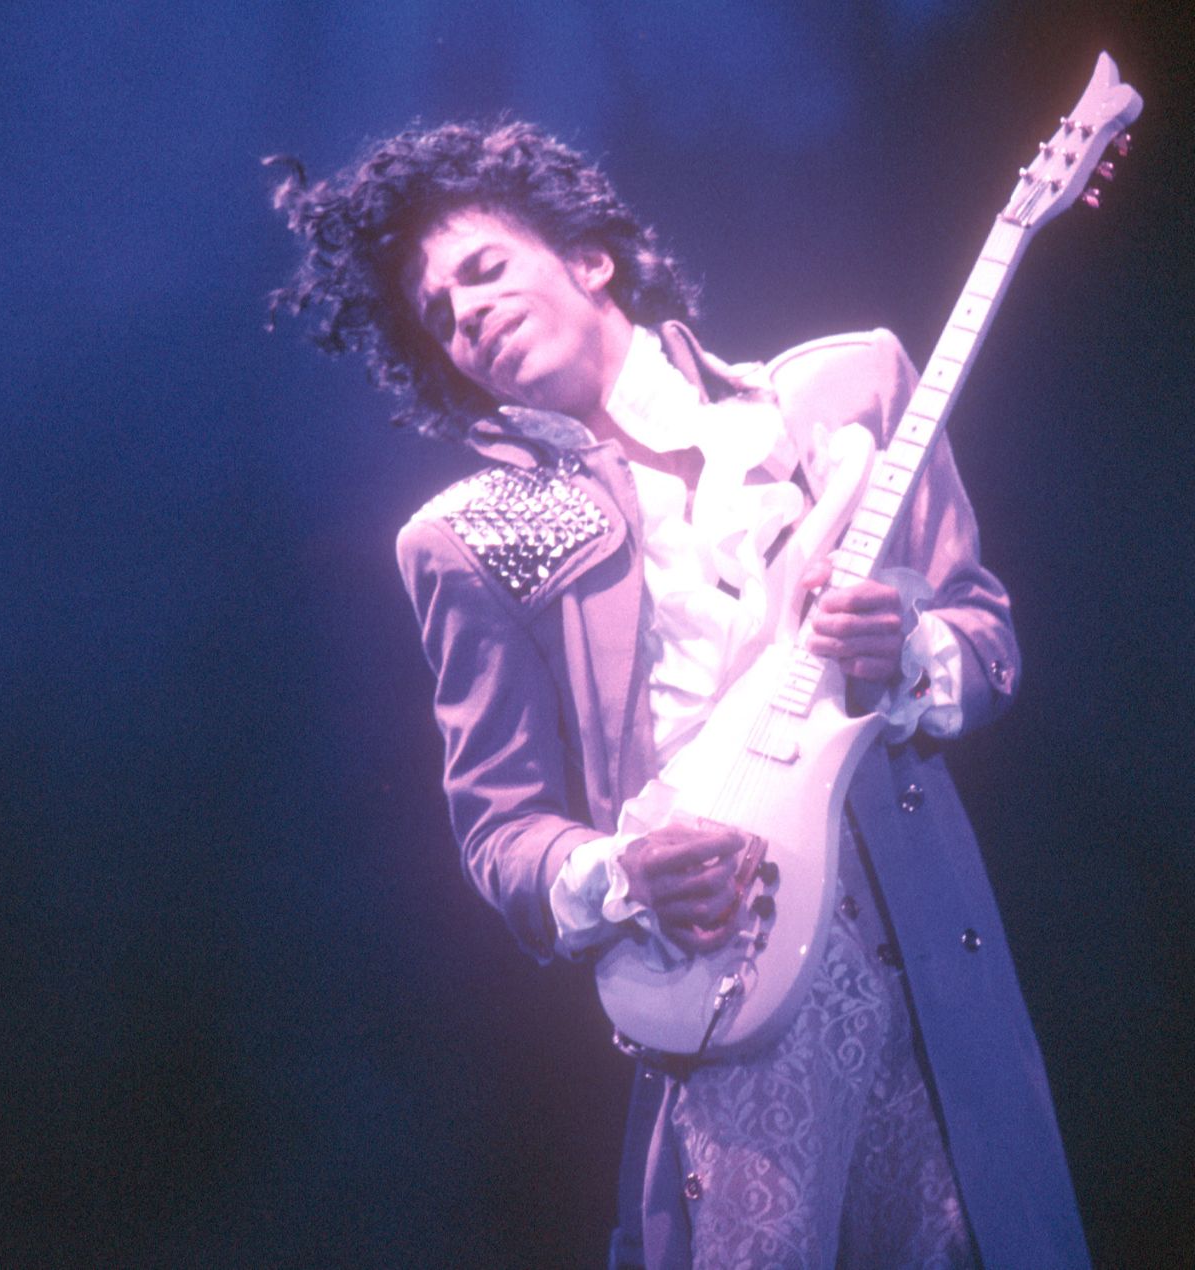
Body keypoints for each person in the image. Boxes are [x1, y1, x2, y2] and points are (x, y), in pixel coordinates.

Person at [270, 120, 1087, 1268]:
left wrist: (904, 644)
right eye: (440, 318)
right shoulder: (465, 538)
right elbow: (501, 834)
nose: (468, 319)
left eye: (484, 270)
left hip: (924, 959)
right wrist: (623, 873)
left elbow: (985, 640)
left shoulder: (840, 399)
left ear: (589, 258)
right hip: (731, 975)